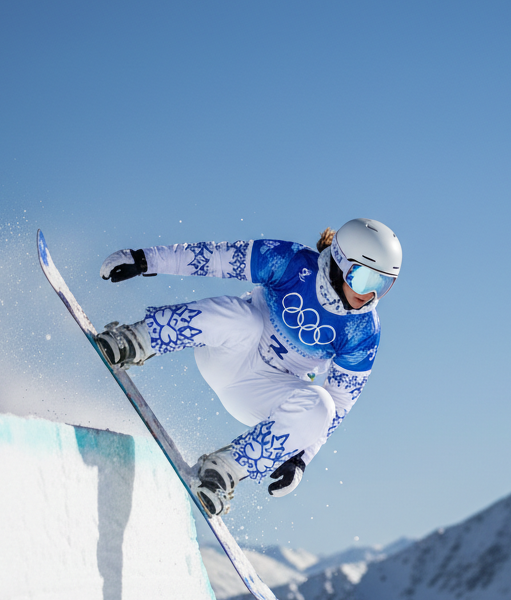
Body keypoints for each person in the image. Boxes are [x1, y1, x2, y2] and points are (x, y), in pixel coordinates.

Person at [96, 219, 401, 516]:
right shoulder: (291, 262)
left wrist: (300, 458)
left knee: (322, 406)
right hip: (227, 354)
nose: (369, 295)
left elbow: (341, 401)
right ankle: (137, 339)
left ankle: (225, 471)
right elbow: (214, 258)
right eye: (364, 279)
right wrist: (144, 260)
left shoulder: (363, 330)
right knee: (247, 320)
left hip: (261, 393)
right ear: (339, 261)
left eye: (382, 285)